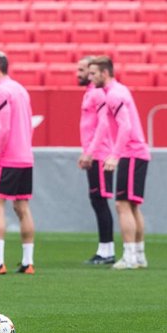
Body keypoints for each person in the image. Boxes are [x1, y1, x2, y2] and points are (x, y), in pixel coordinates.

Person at [88, 56, 150, 270]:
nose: (90, 77)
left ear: (104, 73)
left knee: (122, 204)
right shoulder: (113, 93)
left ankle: (131, 256)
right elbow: (104, 126)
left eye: (93, 73)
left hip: (131, 152)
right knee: (132, 205)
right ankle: (139, 255)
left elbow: (125, 127)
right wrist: (91, 152)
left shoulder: (115, 95)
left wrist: (114, 155)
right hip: (135, 152)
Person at [0, 51, 36, 276]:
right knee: (22, 207)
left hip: (8, 157)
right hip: (25, 156)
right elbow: (28, 125)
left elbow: (3, 128)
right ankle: (28, 262)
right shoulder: (20, 89)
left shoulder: (1, 91)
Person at [76, 56, 116, 265]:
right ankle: (104, 248)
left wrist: (90, 152)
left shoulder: (98, 94)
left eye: (82, 70)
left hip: (100, 155)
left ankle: (107, 250)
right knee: (97, 201)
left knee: (100, 201)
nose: (79, 74)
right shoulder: (91, 93)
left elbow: (103, 125)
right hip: (95, 154)